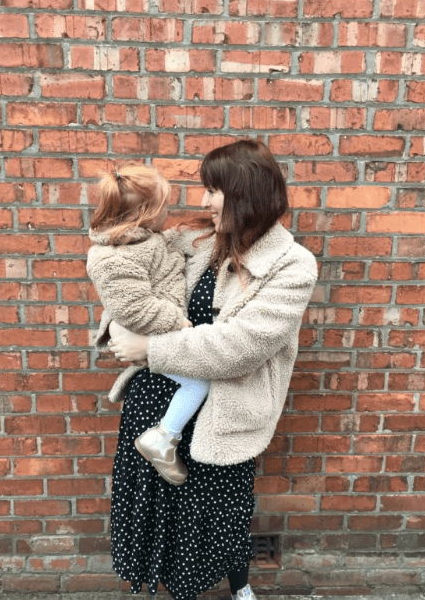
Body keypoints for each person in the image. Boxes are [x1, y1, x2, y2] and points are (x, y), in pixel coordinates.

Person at [106, 140, 318, 600]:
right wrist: (118, 325)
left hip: (223, 414)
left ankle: (236, 586)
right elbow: (133, 276)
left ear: (244, 193)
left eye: (212, 190)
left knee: (218, 514)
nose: (202, 201)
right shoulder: (195, 238)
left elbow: (240, 347)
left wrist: (150, 347)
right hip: (156, 408)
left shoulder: (292, 266)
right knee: (157, 515)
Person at [87, 164, 211, 486]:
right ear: (146, 212)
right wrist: (179, 324)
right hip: (149, 332)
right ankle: (163, 438)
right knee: (199, 383)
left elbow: (161, 252)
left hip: (152, 334)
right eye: (165, 207)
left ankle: (165, 437)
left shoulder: (144, 240)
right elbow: (133, 307)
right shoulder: (112, 257)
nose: (169, 214)